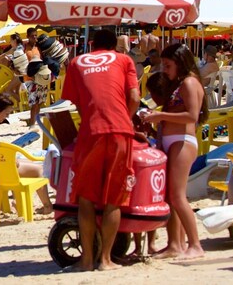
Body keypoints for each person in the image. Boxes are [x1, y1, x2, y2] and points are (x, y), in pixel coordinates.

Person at [62, 29, 140, 271]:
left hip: (91, 131)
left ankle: (86, 260)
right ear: (115, 45)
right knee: (113, 199)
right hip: (120, 131)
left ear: (92, 44)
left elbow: (77, 102)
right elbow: (135, 98)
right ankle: (106, 260)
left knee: (85, 198)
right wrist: (125, 119)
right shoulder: (124, 60)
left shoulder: (76, 62)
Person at [143, 43, 207, 260]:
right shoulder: (179, 83)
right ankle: (175, 244)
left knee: (177, 196)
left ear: (180, 63)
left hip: (182, 141)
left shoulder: (189, 82)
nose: (165, 70)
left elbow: (192, 116)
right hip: (174, 140)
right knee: (171, 196)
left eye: (168, 65)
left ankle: (195, 244)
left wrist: (160, 116)